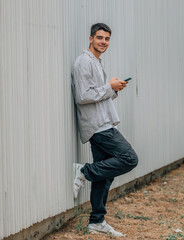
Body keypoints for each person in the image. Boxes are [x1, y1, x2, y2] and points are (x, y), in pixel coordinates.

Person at [71, 23, 139, 237]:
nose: (103, 42)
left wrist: (114, 88)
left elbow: (97, 93)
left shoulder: (97, 62)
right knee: (129, 158)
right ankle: (84, 171)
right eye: (99, 38)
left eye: (107, 39)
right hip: (99, 126)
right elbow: (83, 96)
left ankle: (96, 221)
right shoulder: (84, 62)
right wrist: (110, 87)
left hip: (103, 122)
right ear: (90, 39)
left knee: (105, 176)